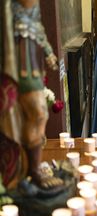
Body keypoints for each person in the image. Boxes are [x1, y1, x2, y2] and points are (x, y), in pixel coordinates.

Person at [0, 0, 63, 190]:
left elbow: (36, 28)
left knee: (37, 115)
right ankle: (31, 171)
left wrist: (48, 52)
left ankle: (30, 169)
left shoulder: (31, 10)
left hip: (32, 66)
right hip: (18, 69)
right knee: (37, 113)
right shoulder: (8, 8)